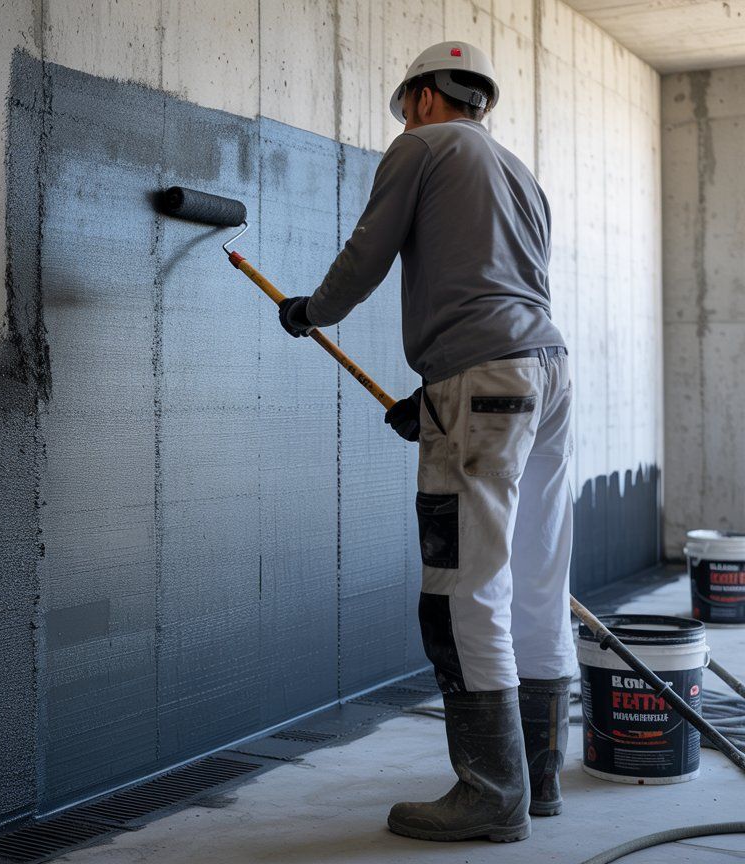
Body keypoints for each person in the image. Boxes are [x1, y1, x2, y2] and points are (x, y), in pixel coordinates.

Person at [277, 41, 574, 843]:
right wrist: (435, 392)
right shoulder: (518, 172)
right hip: (545, 374)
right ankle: (539, 779)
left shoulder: (420, 145)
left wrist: (311, 312)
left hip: (481, 379)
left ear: (422, 98)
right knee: (538, 575)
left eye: (405, 105)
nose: (403, 118)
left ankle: (491, 793)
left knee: (460, 587)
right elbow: (508, 291)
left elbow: (368, 253)